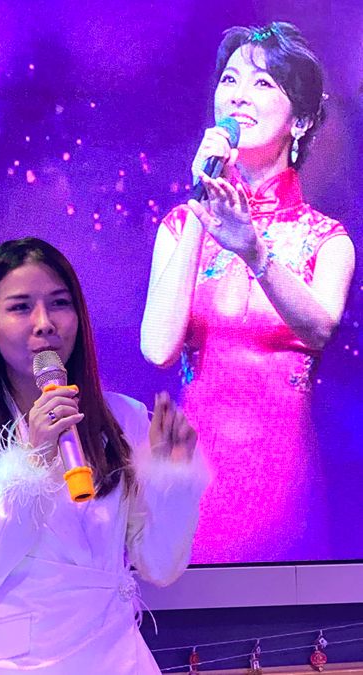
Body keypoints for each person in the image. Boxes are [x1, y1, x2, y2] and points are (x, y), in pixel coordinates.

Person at [0, 237, 210, 673]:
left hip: (114, 656)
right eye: (20, 307)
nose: (44, 323)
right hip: (9, 664)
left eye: (59, 303)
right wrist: (33, 458)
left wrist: (172, 475)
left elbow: (160, 566)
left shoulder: (124, 417)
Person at [140, 21, 355, 563]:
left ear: (300, 121)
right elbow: (158, 348)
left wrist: (255, 252)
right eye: (230, 80)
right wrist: (200, 202)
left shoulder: (327, 240)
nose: (238, 95)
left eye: (262, 83)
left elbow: (320, 327)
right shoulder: (179, 228)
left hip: (282, 483)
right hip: (190, 481)